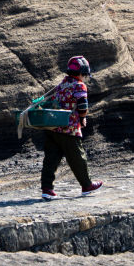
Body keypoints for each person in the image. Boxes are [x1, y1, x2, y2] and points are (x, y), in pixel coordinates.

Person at [40, 55, 103, 200]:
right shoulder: (79, 85)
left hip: (53, 127)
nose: (85, 77)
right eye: (85, 74)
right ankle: (86, 185)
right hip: (69, 128)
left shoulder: (62, 84)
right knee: (77, 158)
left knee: (50, 159)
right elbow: (82, 105)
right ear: (81, 72)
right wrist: (82, 118)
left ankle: (46, 189)